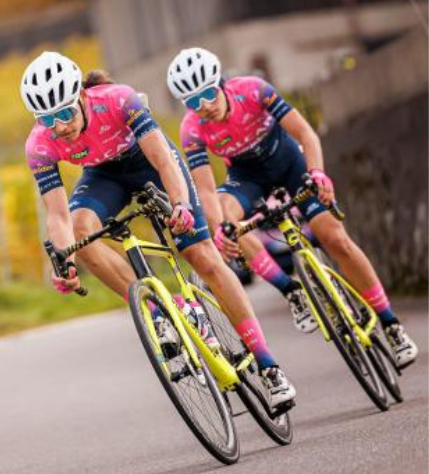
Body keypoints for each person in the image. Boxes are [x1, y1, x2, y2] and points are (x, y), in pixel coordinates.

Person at [21, 51, 297, 406]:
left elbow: (164, 160)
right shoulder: (39, 144)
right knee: (78, 233)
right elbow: (57, 215)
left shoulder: (119, 99)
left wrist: (180, 204)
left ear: (81, 96)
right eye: (48, 119)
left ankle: (268, 365)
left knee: (201, 256)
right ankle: (159, 311)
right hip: (104, 176)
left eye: (64, 113)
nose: (60, 126)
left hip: (151, 164)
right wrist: (66, 261)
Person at [168, 47, 418, 368]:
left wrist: (316, 172)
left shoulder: (253, 90)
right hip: (247, 178)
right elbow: (204, 188)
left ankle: (390, 324)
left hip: (290, 163)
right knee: (226, 220)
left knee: (334, 236)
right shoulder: (192, 129)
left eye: (207, 94)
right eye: (192, 102)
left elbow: (305, 133)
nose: (204, 106)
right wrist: (220, 229)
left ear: (220, 83)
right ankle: (292, 291)